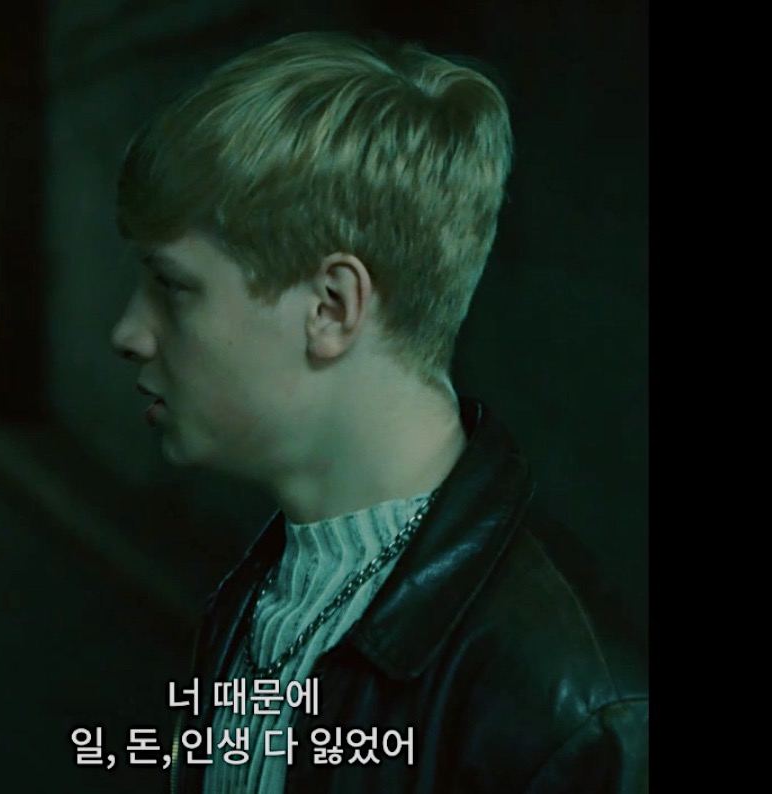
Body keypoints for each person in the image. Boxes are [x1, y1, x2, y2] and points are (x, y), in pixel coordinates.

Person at [109, 30, 647, 794]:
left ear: (331, 308)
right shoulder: (270, 591)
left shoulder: (569, 710)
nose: (128, 333)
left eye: (172, 286)